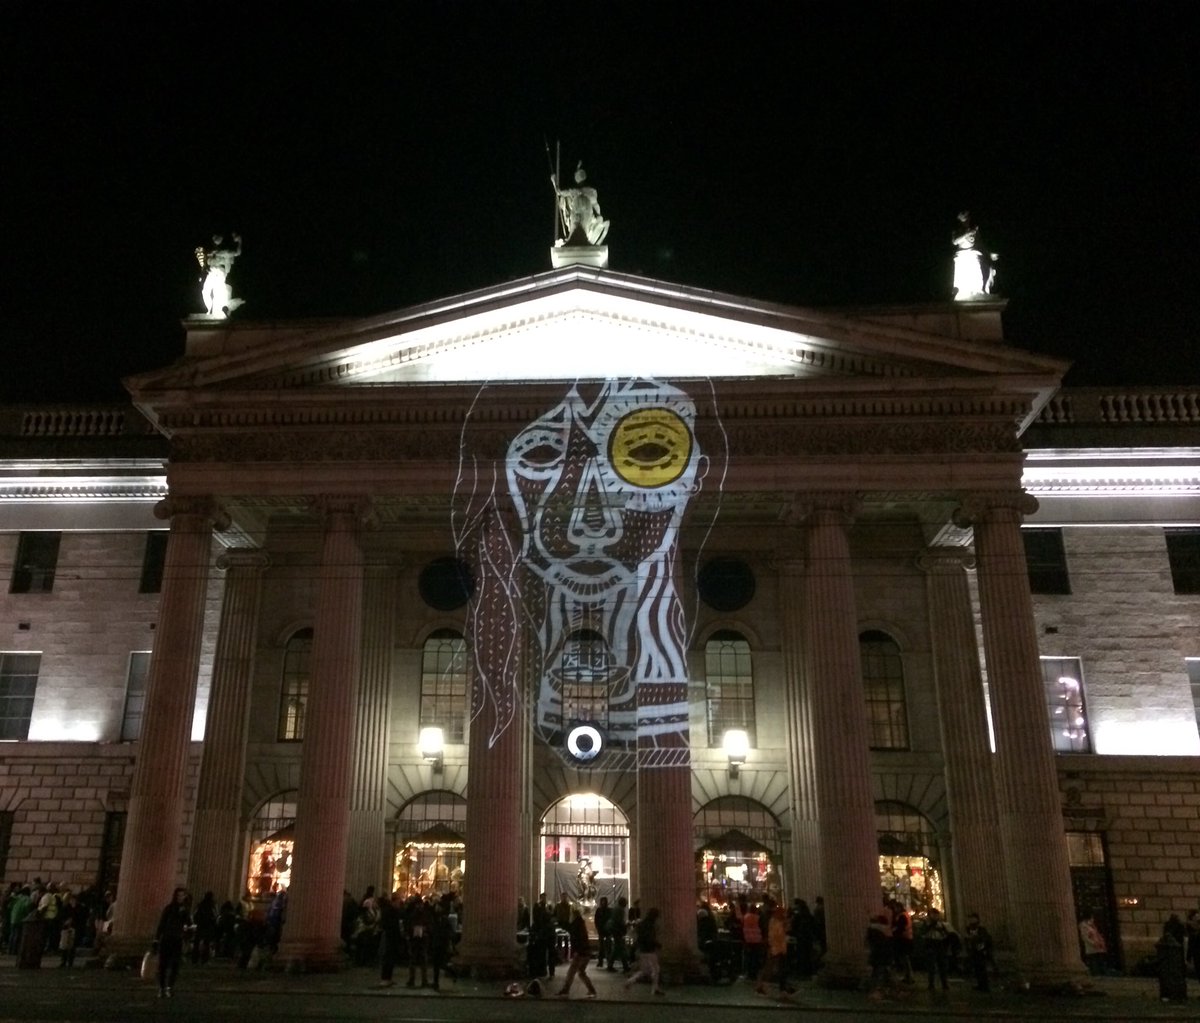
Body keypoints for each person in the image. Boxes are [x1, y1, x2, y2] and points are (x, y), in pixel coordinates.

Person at [550, 162, 609, 246]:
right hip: (583, 216)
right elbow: (596, 206)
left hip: (582, 216)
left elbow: (559, 192)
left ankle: (574, 238)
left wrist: (554, 181)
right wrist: (599, 215)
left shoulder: (577, 192)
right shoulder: (590, 191)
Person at [155, 887, 192, 998]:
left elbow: (188, 923)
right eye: (179, 896)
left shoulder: (184, 910)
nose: (180, 898)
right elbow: (162, 923)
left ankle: (169, 987)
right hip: (167, 938)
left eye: (182, 896)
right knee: (163, 964)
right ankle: (162, 987)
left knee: (175, 964)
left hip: (177, 939)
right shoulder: (169, 908)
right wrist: (156, 939)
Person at [557, 907, 597, 998]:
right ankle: (591, 990)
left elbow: (576, 939)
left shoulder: (576, 925)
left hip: (580, 952)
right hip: (585, 951)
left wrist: (576, 951)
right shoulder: (579, 923)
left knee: (572, 971)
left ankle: (566, 989)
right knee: (581, 972)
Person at [624, 906, 664, 996]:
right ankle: (655, 989)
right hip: (649, 949)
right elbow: (649, 938)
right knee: (656, 969)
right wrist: (656, 944)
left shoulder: (643, 923)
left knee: (645, 970)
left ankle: (630, 982)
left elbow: (637, 934)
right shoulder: (650, 925)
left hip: (643, 949)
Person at [756, 902, 793, 996]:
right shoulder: (775, 922)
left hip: (779, 948)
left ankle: (783, 988)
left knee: (779, 968)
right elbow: (776, 935)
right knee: (773, 968)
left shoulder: (776, 922)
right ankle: (765, 987)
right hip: (776, 949)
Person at [918, 907, 950, 992]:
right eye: (933, 914)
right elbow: (922, 932)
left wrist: (941, 931)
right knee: (931, 966)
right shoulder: (926, 923)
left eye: (936, 915)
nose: (935, 916)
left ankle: (944, 983)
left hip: (939, 944)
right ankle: (931, 984)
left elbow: (946, 934)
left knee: (942, 965)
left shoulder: (941, 924)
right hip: (930, 944)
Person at [963, 912, 994, 992]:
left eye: (973, 918)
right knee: (976, 969)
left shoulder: (981, 929)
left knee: (982, 968)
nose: (971, 920)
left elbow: (985, 939)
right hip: (973, 950)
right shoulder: (968, 928)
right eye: (970, 919)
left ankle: (985, 985)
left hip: (980, 950)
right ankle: (980, 984)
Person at [866, 912, 893, 1001]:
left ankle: (873, 989)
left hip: (875, 954)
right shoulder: (886, 931)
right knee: (881, 972)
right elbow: (889, 944)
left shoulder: (871, 930)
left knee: (876, 972)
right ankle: (879, 991)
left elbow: (868, 943)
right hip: (884, 955)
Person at [1079, 910, 1107, 976]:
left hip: (1098, 947)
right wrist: (1093, 943)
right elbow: (1085, 937)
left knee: (1100, 962)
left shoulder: (1092, 925)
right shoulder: (1084, 926)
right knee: (1094, 962)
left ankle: (1101, 974)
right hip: (1091, 948)